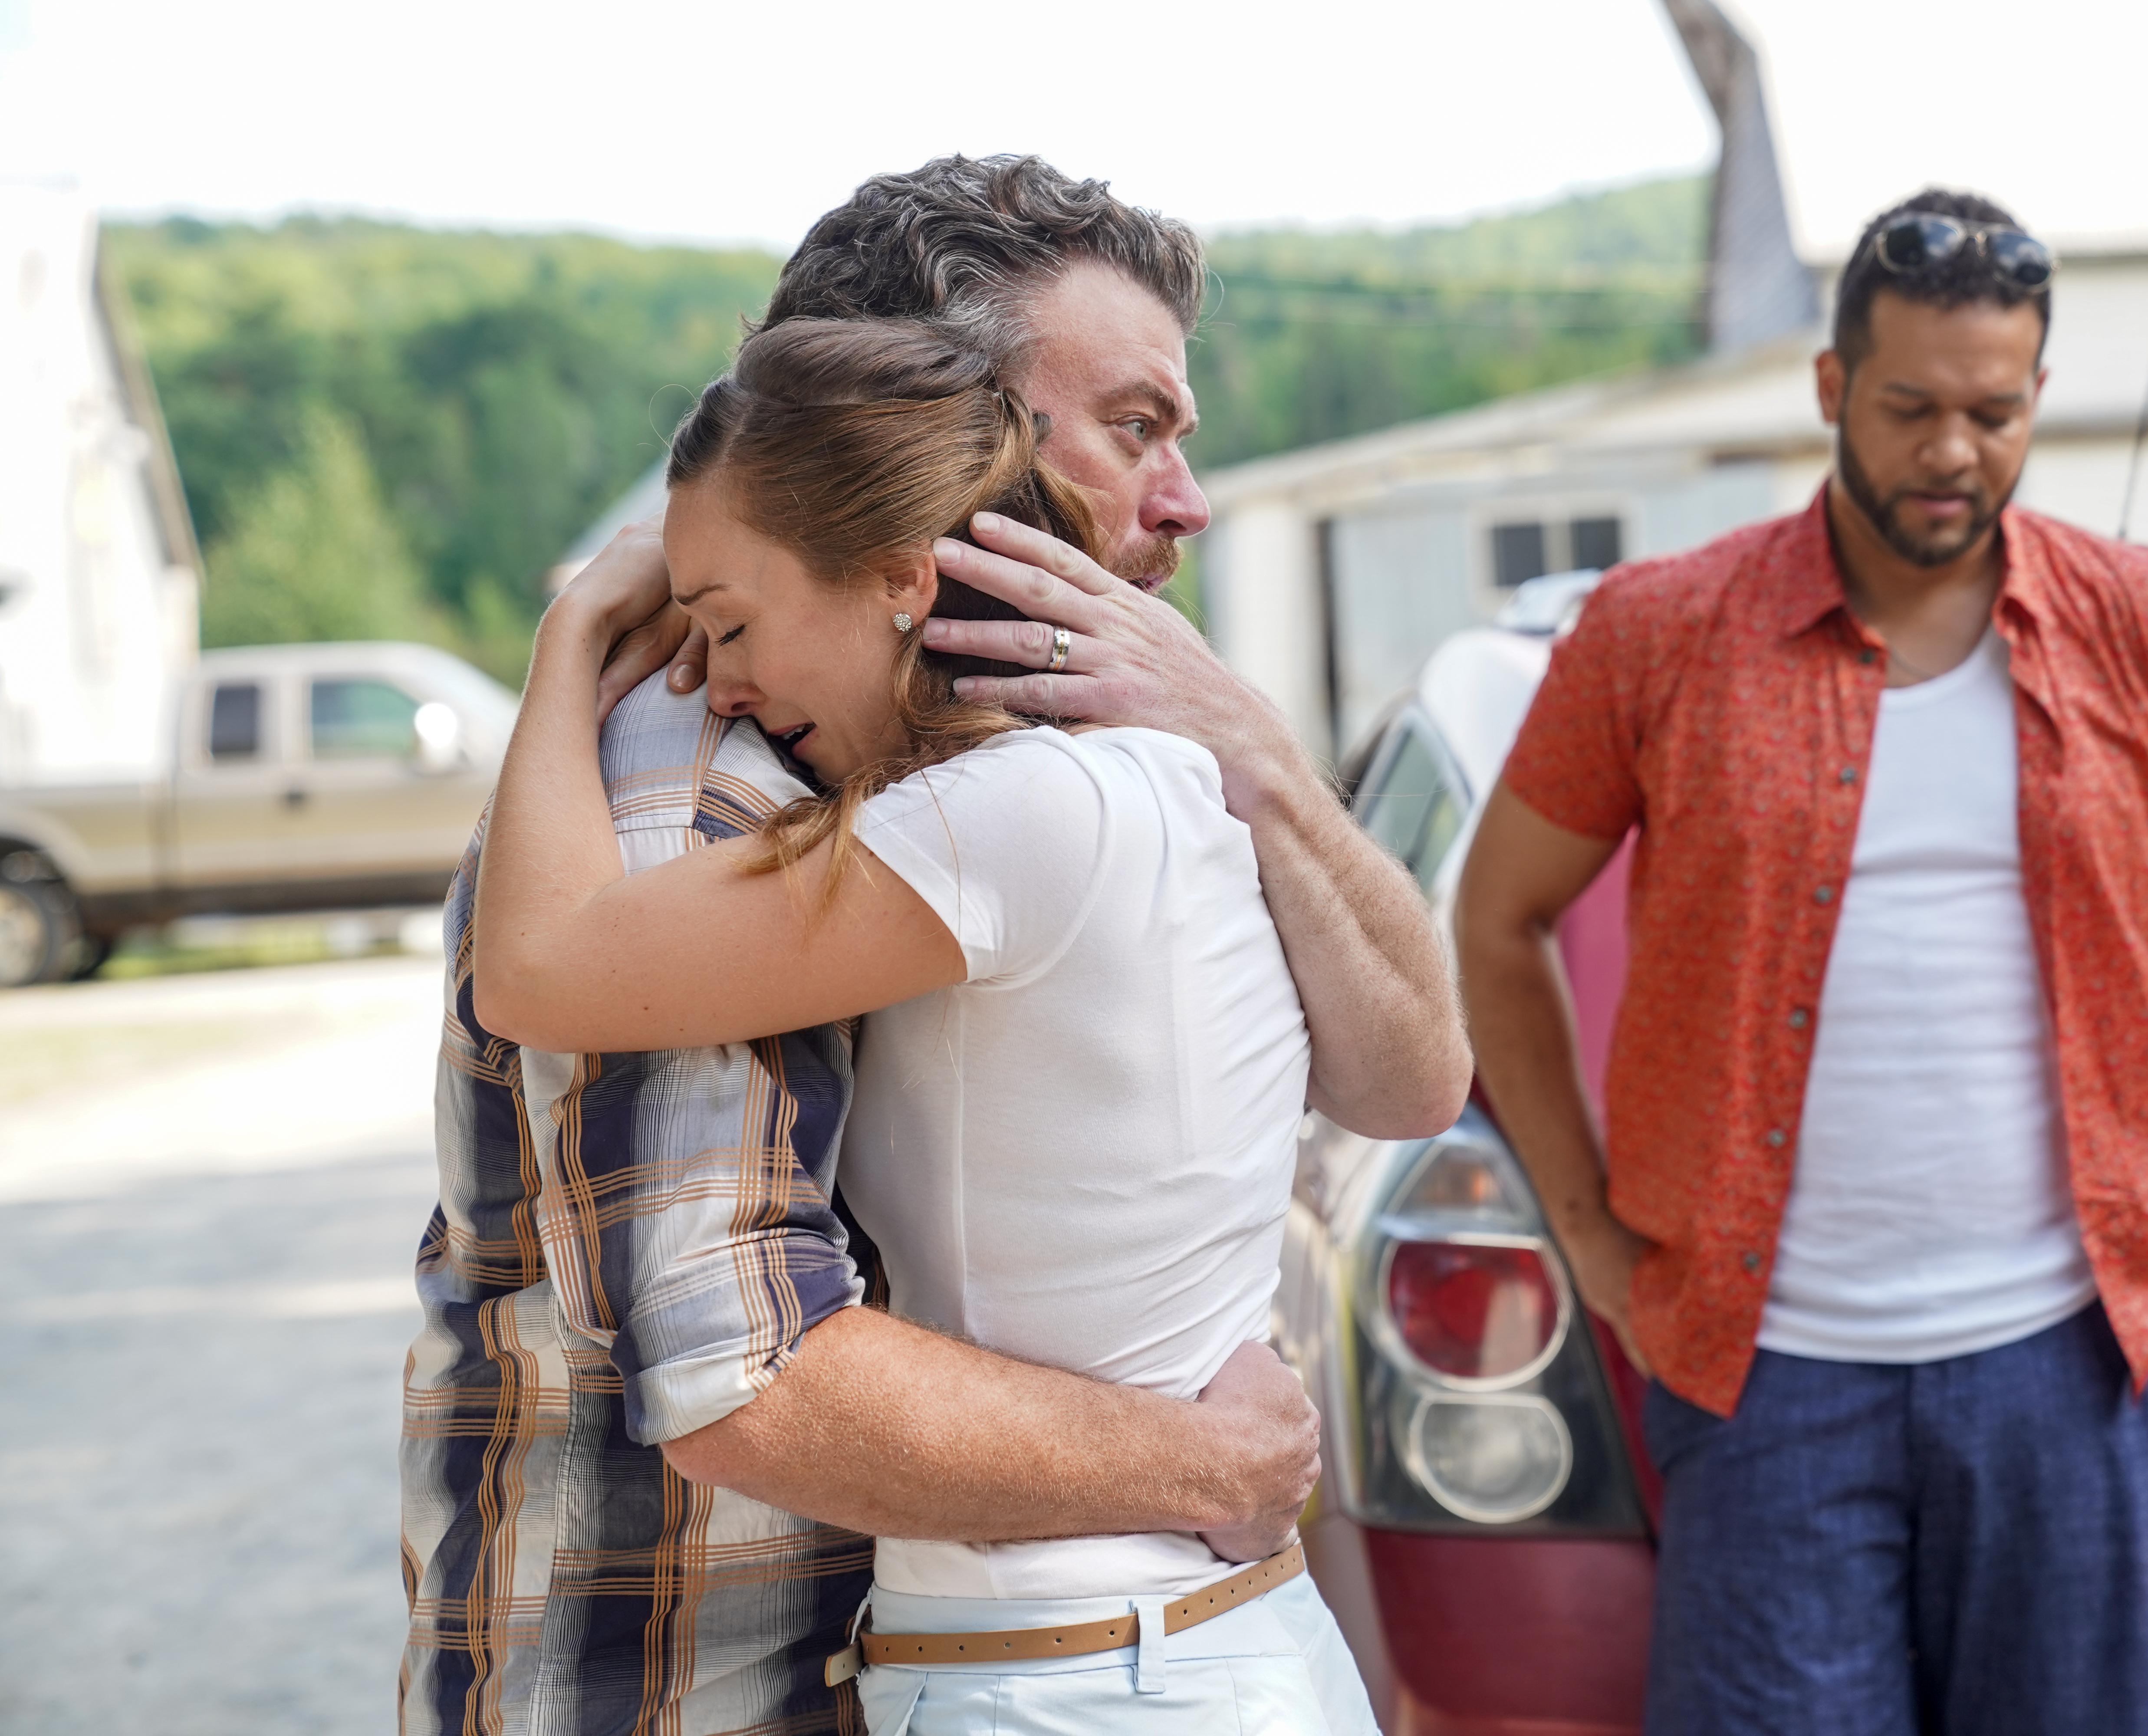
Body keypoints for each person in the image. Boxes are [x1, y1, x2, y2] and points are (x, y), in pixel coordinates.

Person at [400, 157, 1462, 1735]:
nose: (1187, 499)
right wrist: (1208, 1462)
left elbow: (1413, 1080)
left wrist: (1261, 755)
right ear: (922, 430)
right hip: (691, 1690)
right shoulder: (704, 780)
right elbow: (744, 1369)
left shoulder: (1086, 761)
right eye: (1135, 423)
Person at [1455, 187, 2148, 1735]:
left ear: (2039, 401)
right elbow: (1496, 919)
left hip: (2073, 1361)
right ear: (1830, 391)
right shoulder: (1661, 632)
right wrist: (1590, 1229)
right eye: (1912, 408)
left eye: (1995, 414)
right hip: (1765, 1375)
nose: (1953, 454)